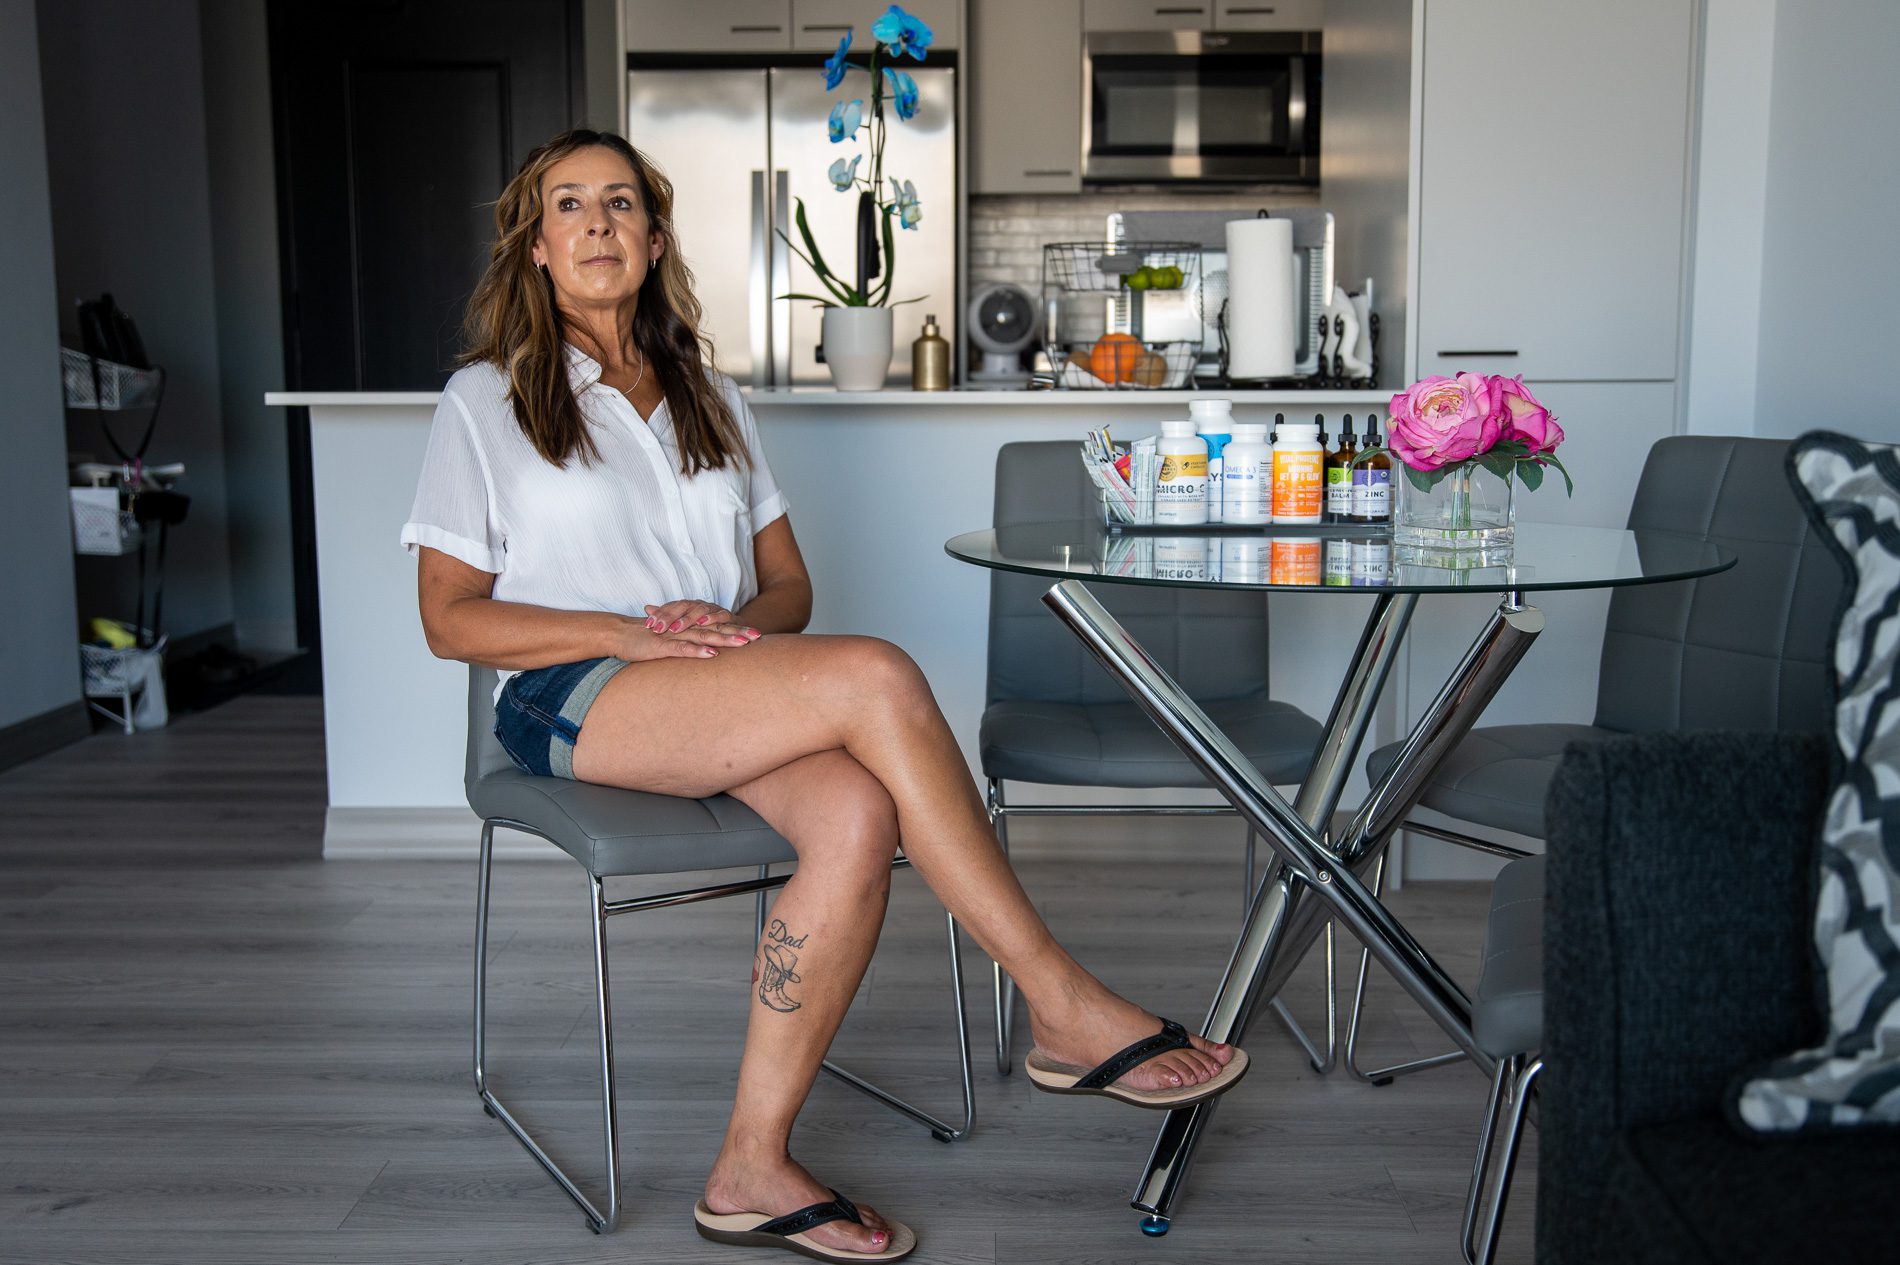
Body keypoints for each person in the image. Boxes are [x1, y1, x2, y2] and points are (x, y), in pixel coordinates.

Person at [403, 129, 1246, 1264]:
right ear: (538, 246)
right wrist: (630, 633)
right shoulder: (485, 400)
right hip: (569, 694)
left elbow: (790, 588)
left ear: (655, 237)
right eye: (570, 205)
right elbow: (449, 619)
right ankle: (1060, 1000)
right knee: (880, 673)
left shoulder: (711, 396)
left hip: (711, 683)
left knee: (857, 812)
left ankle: (749, 1165)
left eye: (621, 203)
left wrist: (728, 636)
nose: (598, 222)